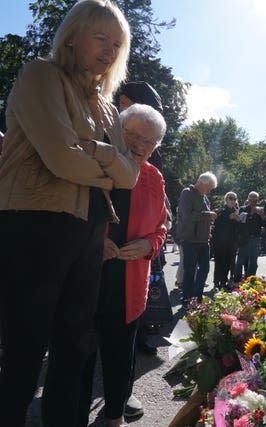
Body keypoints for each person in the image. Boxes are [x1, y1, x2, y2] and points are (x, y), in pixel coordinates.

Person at [0, 1, 137, 425]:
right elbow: (62, 160)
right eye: (101, 37)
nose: (110, 50)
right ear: (73, 35)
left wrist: (92, 151)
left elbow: (130, 174)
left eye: (117, 44)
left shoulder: (108, 107)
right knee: (24, 346)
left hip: (87, 227)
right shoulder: (40, 74)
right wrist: (107, 165)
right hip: (35, 220)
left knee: (74, 346)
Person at [78, 103, 167, 427]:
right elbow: (65, 218)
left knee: (120, 362)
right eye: (132, 135)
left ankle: (114, 417)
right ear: (116, 131)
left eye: (149, 141)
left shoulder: (153, 178)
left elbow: (160, 228)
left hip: (127, 288)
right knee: (78, 364)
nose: (138, 145)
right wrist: (93, 242)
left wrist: (149, 246)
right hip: (83, 281)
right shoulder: (90, 165)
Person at [177, 172, 218, 305]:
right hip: (190, 240)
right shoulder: (187, 193)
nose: (210, 190)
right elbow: (187, 216)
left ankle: (197, 296)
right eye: (209, 187)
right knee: (190, 270)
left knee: (205, 269)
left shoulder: (205, 197)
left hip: (203, 240)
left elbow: (203, 218)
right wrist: (208, 215)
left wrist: (209, 226)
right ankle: (187, 297)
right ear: (202, 183)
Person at [212, 191, 241, 291]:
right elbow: (217, 224)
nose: (232, 200)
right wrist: (228, 218)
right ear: (226, 199)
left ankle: (224, 282)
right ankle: (216, 283)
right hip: (220, 242)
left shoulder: (237, 211)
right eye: (230, 198)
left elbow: (240, 228)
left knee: (228, 263)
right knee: (219, 262)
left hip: (231, 242)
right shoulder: (220, 210)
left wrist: (238, 221)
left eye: (234, 198)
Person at [234, 191, 265, 282]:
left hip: (255, 238)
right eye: (251, 198)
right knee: (240, 260)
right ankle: (237, 280)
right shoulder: (243, 209)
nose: (253, 201)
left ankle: (250, 280)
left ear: (257, 200)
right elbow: (239, 224)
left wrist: (262, 215)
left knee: (253, 262)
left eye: (255, 199)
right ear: (248, 199)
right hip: (244, 238)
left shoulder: (261, 210)